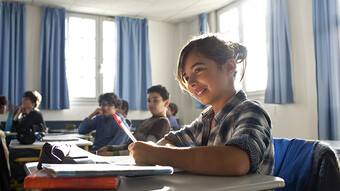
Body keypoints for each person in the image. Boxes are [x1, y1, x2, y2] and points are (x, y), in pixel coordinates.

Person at [128, 34, 274, 176]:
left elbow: (237, 161)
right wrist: (151, 151)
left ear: (229, 67)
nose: (190, 82)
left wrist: (158, 154)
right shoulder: (205, 119)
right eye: (186, 77)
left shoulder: (251, 111)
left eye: (198, 69)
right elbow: (168, 142)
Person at [97, 85, 171, 156]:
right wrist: (110, 148)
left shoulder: (162, 122)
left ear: (166, 103)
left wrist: (113, 154)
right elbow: (130, 145)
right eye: (149, 100)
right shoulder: (145, 121)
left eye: (155, 100)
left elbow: (145, 150)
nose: (151, 104)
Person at [9, 91, 46, 183]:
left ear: (33, 102)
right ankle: (23, 175)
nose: (23, 101)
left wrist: (18, 114)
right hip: (26, 146)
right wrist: (18, 114)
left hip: (34, 149)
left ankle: (24, 176)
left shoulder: (35, 113)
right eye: (23, 98)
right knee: (5, 155)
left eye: (26, 99)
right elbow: (13, 130)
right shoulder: (26, 115)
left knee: (6, 155)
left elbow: (18, 130)